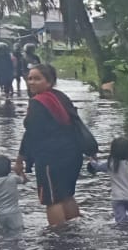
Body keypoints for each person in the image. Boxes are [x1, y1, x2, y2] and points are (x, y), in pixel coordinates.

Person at [15, 63, 97, 227]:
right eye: (29, 78)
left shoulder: (38, 103)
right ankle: (73, 232)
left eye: (37, 79)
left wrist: (20, 159)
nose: (31, 82)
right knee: (67, 195)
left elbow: (31, 133)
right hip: (73, 156)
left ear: (49, 81)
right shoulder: (61, 97)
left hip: (51, 160)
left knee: (52, 201)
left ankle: (57, 239)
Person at [87, 137, 128, 224]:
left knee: (120, 221)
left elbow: (97, 167)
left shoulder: (110, 164)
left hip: (117, 197)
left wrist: (91, 159)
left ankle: (121, 236)